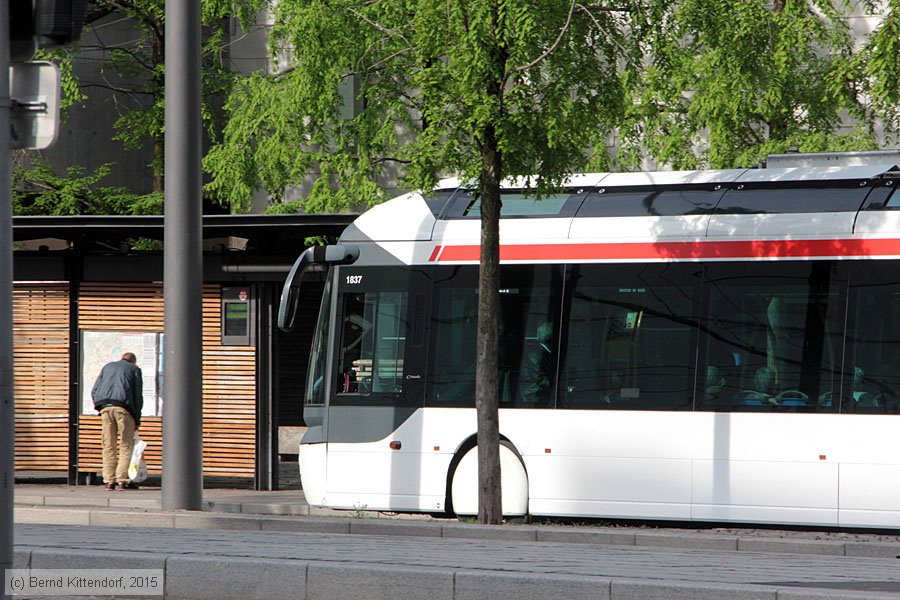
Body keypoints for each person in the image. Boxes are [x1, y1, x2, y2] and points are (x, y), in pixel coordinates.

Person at [92, 352, 143, 491]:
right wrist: (137, 418)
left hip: (105, 409)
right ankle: (122, 480)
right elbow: (138, 395)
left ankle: (109, 481)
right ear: (133, 361)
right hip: (124, 410)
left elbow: (95, 390)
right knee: (126, 445)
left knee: (108, 445)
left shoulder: (107, 367)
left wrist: (99, 406)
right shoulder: (135, 370)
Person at [519, 321, 554, 404]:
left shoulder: (543, 353)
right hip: (534, 400)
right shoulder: (535, 357)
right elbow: (540, 382)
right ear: (550, 338)